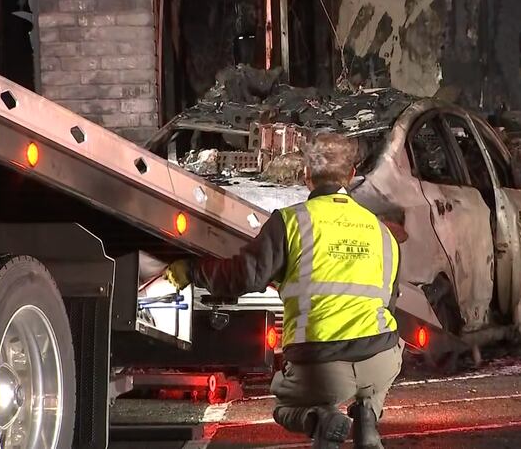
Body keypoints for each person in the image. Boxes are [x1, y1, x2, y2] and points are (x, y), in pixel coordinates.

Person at [165, 132, 403, 449]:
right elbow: (391, 302)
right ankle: (368, 418)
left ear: (306, 176)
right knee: (387, 354)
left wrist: (192, 270)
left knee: (283, 401)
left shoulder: (291, 222)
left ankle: (320, 419)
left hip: (320, 365)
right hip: (380, 360)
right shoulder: (382, 232)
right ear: (351, 175)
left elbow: (243, 277)